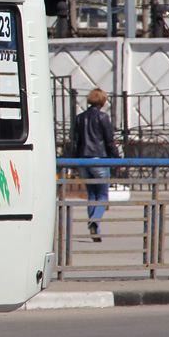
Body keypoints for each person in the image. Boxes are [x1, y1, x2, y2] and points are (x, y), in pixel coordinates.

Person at [69, 88, 120, 242]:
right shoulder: (102, 117)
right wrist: (117, 159)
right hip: (99, 159)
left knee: (91, 195)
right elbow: (109, 141)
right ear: (103, 102)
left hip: (83, 160)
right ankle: (94, 221)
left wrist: (74, 162)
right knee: (103, 196)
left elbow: (75, 142)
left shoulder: (79, 118)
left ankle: (95, 231)